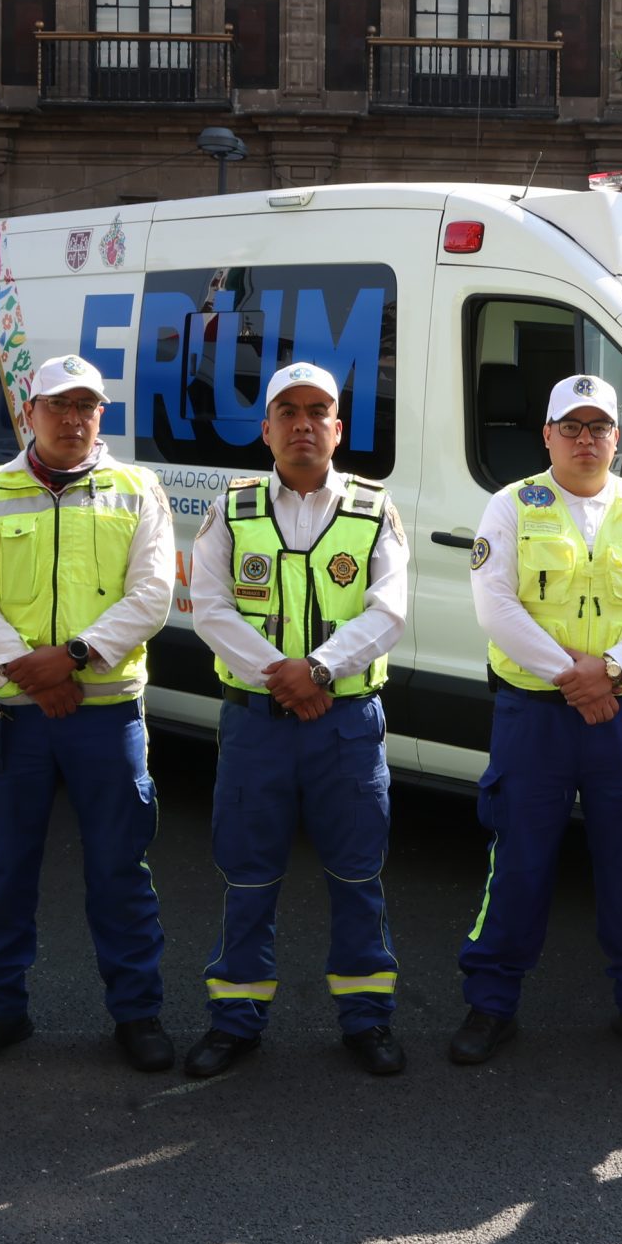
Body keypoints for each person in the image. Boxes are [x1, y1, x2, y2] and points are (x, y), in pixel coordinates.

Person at [454, 372, 622, 1065]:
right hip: (535, 712)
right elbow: (495, 607)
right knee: (521, 858)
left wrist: (612, 669)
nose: (585, 439)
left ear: (616, 438)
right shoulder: (511, 506)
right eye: (572, 426)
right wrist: (577, 678)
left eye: (598, 427)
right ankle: (491, 1004)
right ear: (548, 435)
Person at [0, 354, 177, 1074]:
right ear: (29, 413)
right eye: (58, 405)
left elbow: (154, 594)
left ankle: (137, 1013)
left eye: (88, 406)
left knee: (120, 870)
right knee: (5, 869)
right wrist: (29, 669)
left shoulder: (138, 489)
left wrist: (69, 657)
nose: (73, 419)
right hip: (15, 715)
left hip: (105, 714)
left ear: (101, 414)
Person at [184, 362, 409, 1079]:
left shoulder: (377, 509)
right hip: (257, 725)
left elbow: (390, 609)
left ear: (339, 428)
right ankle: (235, 1019)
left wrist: (314, 672)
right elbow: (211, 608)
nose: (304, 423)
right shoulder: (233, 505)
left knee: (356, 875)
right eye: (289, 411)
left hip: (344, 724)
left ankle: (367, 1019)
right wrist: (282, 679)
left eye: (319, 411)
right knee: (248, 875)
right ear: (267, 428)